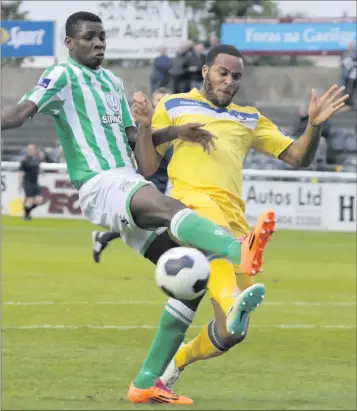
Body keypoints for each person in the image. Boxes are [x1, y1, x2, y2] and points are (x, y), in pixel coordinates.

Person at [0, 13, 276, 405]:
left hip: (126, 181)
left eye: (102, 37)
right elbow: (18, 113)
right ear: (69, 43)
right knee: (168, 204)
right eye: (89, 38)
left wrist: (171, 131)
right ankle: (238, 250)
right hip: (101, 182)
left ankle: (147, 382)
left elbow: (132, 138)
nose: (98, 44)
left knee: (194, 274)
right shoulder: (62, 76)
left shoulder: (112, 82)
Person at [133, 44, 349, 391]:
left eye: (236, 76)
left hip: (235, 222)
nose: (229, 81)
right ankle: (232, 295)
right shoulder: (174, 105)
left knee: (232, 332)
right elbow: (147, 165)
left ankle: (176, 363)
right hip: (191, 204)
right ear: (205, 71)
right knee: (218, 240)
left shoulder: (248, 117)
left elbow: (297, 157)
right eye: (223, 73)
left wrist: (313, 125)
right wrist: (146, 126)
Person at [91, 87, 173, 263]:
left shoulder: (170, 127)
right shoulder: (140, 127)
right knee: (157, 220)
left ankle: (103, 237)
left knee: (154, 221)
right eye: (158, 100)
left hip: (163, 180)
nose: (161, 105)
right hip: (145, 180)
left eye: (164, 101)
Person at [18, 144, 43, 220]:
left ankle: (26, 212)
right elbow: (20, 172)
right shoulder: (25, 160)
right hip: (28, 181)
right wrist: (20, 183)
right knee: (30, 199)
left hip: (35, 182)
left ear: (35, 150)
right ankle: (26, 216)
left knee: (39, 200)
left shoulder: (37, 159)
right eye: (29, 149)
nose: (30, 150)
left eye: (32, 149)